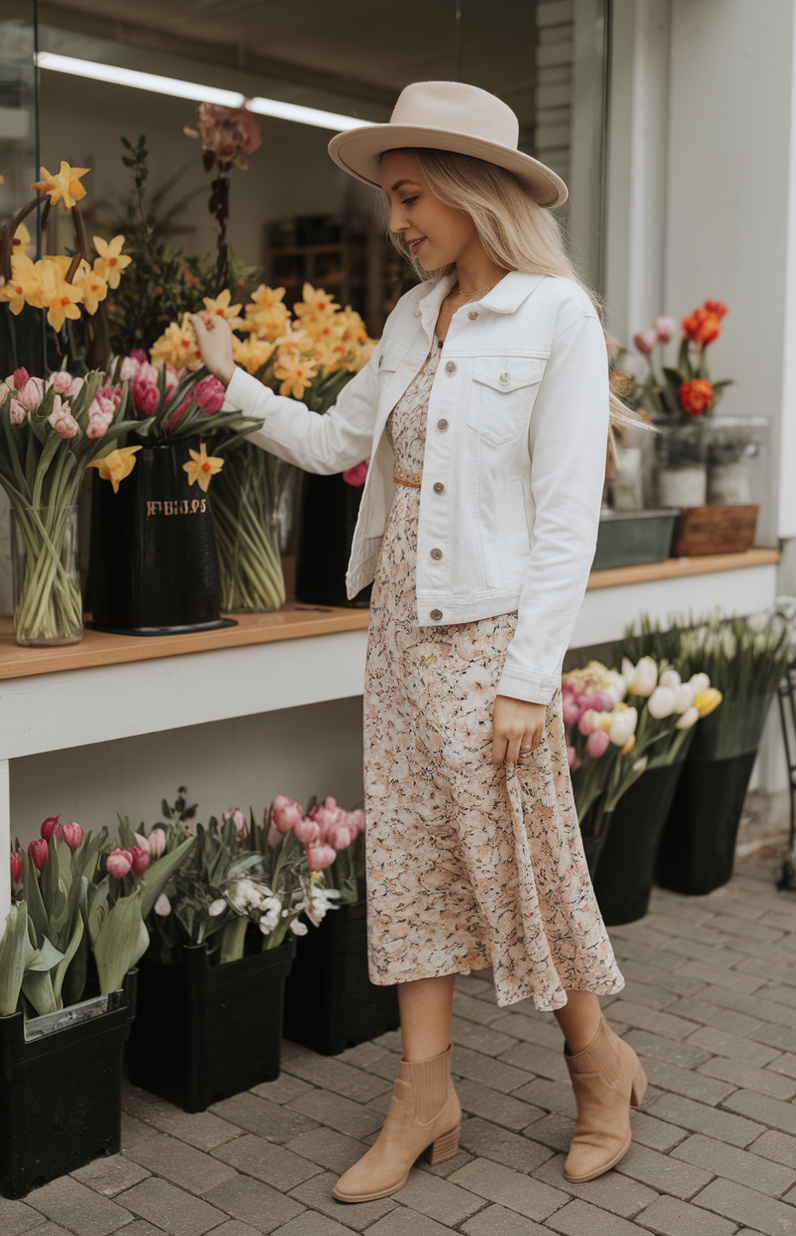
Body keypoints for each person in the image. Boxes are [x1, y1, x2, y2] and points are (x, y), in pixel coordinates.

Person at [191, 79, 648, 1203]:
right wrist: (230, 379)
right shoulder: (410, 316)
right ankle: (424, 1094)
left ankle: (598, 1066)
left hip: (493, 641)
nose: (397, 220)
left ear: (470, 189)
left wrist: (528, 681)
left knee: (518, 863)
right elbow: (334, 440)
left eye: (411, 196)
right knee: (408, 865)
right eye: (393, 198)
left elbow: (562, 521)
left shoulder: (556, 318)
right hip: (398, 626)